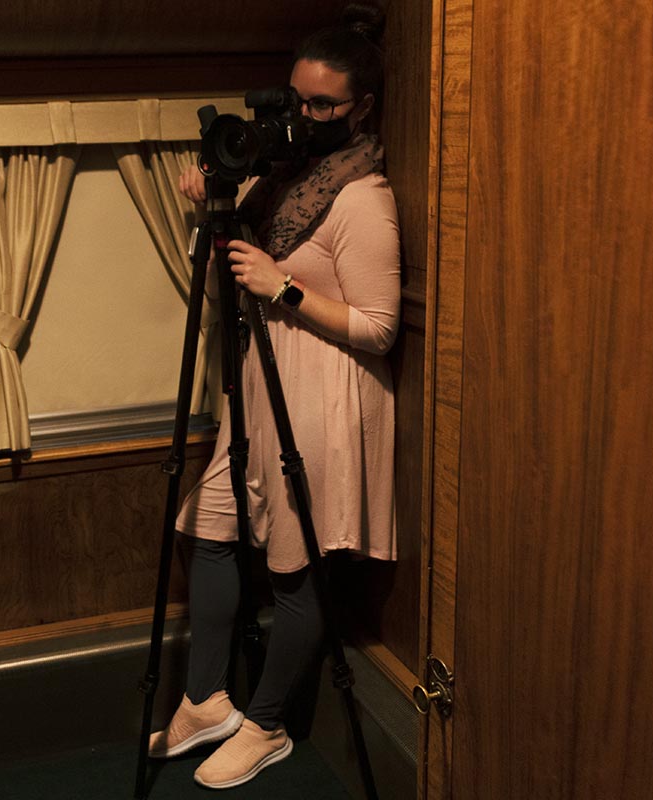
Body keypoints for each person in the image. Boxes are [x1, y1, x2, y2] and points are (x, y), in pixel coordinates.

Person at [149, 3, 400, 789]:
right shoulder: (279, 179)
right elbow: (236, 271)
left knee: (297, 563)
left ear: (361, 107)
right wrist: (215, 206)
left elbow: (380, 328)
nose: (307, 116)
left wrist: (284, 287)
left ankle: (266, 726)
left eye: (325, 104)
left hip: (324, 391)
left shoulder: (362, 197)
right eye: (298, 99)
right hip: (261, 382)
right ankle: (206, 701)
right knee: (207, 523)